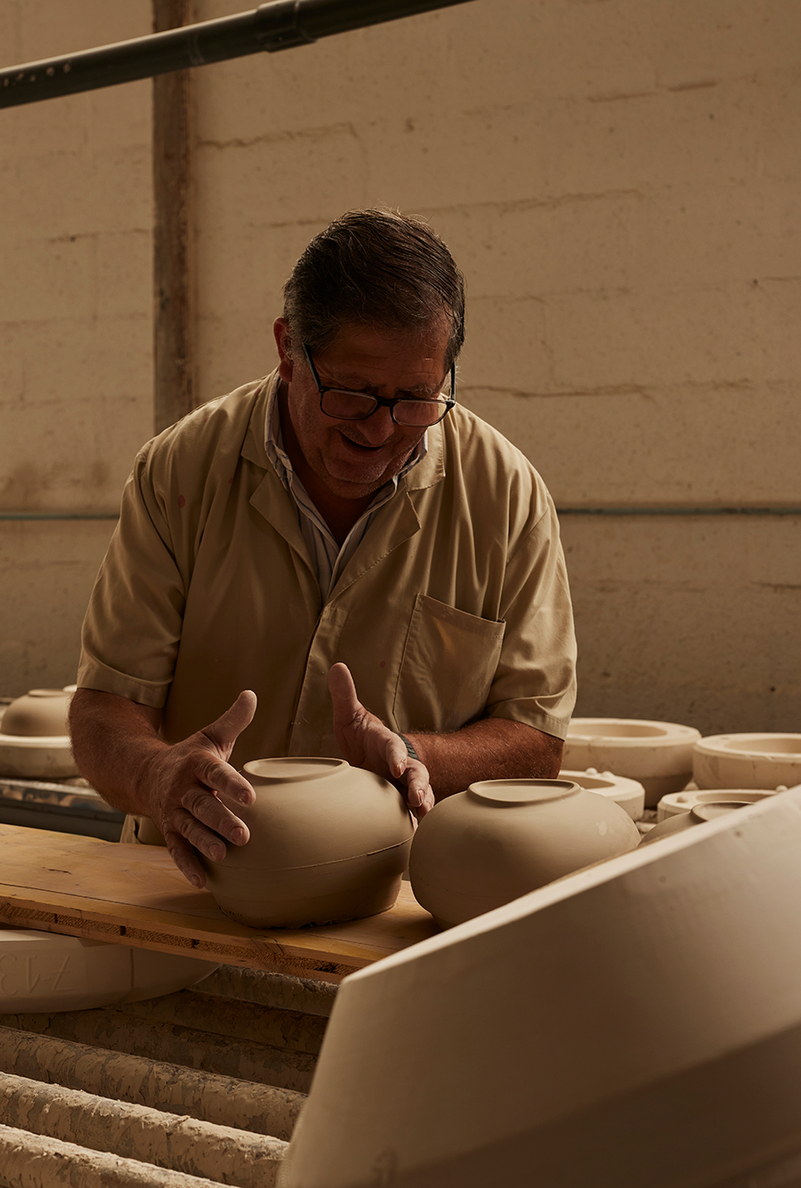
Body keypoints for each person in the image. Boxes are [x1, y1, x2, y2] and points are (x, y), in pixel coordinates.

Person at [70, 208, 577, 889]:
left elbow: (536, 738)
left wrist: (414, 754)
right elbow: (104, 709)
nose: (380, 430)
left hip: (393, 897)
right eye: (352, 394)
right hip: (189, 886)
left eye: (416, 398)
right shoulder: (180, 472)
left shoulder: (505, 496)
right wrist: (158, 775)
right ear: (288, 350)